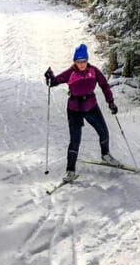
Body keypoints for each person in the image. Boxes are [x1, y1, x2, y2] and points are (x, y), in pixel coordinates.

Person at [44, 43, 120, 181]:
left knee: (103, 131)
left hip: (91, 106)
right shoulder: (70, 72)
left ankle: (105, 155)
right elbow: (54, 82)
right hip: (74, 109)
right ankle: (70, 170)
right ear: (75, 61)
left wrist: (111, 102)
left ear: (87, 60)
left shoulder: (94, 71)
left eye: (84, 61)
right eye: (79, 62)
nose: (81, 64)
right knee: (75, 140)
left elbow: (104, 85)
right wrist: (49, 77)